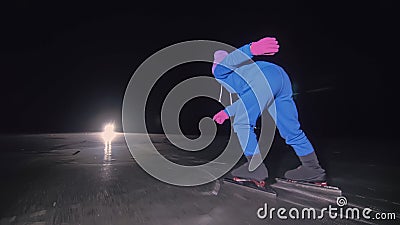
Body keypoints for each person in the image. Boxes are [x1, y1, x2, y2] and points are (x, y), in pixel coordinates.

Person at [211, 37, 326, 185]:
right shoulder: (245, 73)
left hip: (263, 78)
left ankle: (255, 169)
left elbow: (226, 63)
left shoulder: (220, 72)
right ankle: (312, 168)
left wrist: (251, 48)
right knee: (291, 129)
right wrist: (226, 112)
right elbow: (248, 100)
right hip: (280, 77)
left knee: (242, 123)